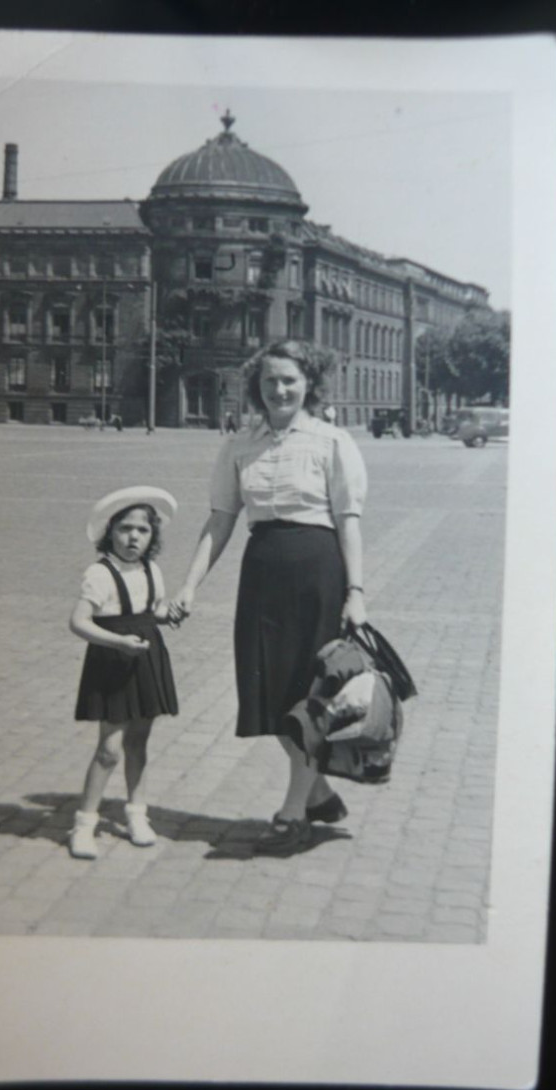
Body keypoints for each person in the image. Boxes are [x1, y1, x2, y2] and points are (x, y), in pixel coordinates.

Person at [171, 340, 368, 856]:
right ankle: (319, 792)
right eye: (269, 382)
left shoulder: (331, 442)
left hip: (317, 573)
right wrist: (189, 586)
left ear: (308, 384)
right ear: (256, 389)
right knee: (270, 699)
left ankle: (292, 814)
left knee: (307, 699)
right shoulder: (239, 445)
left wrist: (357, 592)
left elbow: (349, 520)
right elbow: (220, 519)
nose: (279, 390)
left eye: (289, 380)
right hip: (262, 576)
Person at [69, 487, 180, 859]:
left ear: (152, 536)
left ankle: (137, 814)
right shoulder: (99, 574)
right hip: (113, 661)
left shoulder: (152, 569)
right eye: (125, 528)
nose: (134, 537)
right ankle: (84, 823)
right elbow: (79, 622)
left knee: (139, 742)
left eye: (143, 530)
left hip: (146, 657)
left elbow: (152, 608)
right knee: (109, 749)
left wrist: (168, 612)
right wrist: (116, 643)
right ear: (110, 532)